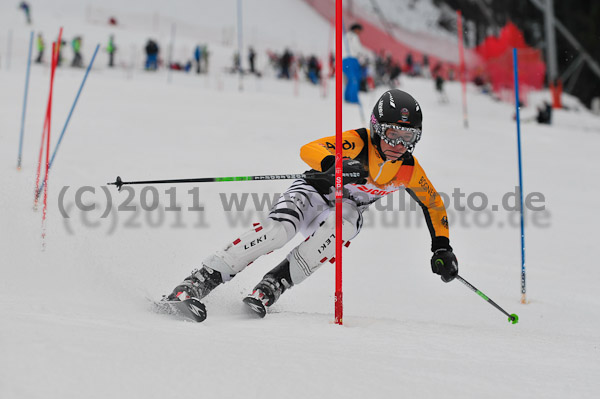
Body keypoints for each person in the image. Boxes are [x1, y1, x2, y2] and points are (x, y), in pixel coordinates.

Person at [165, 89, 459, 318]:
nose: (398, 145)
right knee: (278, 232)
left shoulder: (409, 170)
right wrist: (336, 163)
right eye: (393, 134)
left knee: (342, 226)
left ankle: (274, 284)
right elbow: (310, 149)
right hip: (312, 192)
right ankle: (199, 281)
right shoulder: (357, 142)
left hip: (345, 208)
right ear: (377, 128)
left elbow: (433, 205)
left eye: (408, 137)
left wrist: (442, 247)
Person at [342, 23, 370, 103]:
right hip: (351, 59)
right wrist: (365, 56)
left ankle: (347, 97)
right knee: (354, 79)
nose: (360, 33)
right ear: (356, 29)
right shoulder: (353, 36)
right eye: (359, 30)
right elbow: (358, 49)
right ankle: (353, 99)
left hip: (344, 60)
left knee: (350, 79)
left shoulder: (345, 36)